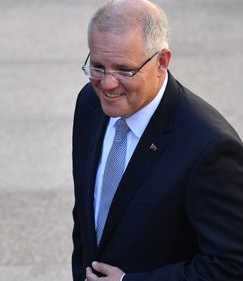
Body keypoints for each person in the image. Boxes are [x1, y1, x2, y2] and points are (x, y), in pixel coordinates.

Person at [72, 0, 243, 280]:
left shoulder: (210, 148)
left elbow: (231, 265)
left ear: (162, 62)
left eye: (124, 70)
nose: (107, 84)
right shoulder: (90, 104)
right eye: (98, 66)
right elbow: (86, 216)